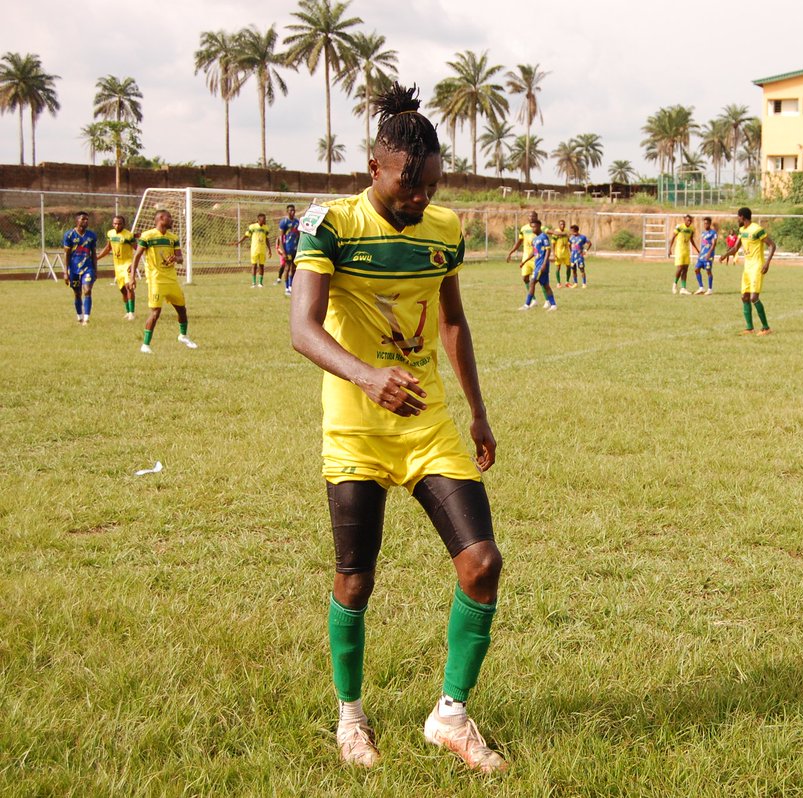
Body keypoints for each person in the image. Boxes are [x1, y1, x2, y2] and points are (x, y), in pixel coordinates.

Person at [289, 83, 508, 774]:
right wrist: (366, 375)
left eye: (431, 185)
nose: (419, 197)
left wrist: (475, 408)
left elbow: (451, 321)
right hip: (356, 428)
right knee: (355, 579)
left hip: (429, 425)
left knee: (482, 563)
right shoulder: (331, 224)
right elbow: (301, 326)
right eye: (409, 184)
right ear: (375, 167)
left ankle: (451, 714)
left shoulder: (444, 230)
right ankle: (351, 717)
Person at [129, 209, 199, 353]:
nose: (172, 220)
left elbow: (180, 258)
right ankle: (145, 345)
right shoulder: (147, 236)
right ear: (161, 218)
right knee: (155, 313)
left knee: (182, 310)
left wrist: (176, 258)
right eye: (169, 217)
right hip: (156, 281)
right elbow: (137, 256)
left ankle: (183, 336)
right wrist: (132, 278)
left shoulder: (173, 238)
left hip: (172, 280)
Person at [719, 207, 776, 335]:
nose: (737, 219)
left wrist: (767, 263)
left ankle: (766, 328)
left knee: (754, 297)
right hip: (747, 268)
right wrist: (725, 255)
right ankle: (750, 328)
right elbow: (735, 248)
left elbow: (772, 245)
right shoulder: (741, 230)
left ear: (743, 217)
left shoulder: (757, 230)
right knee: (744, 297)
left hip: (757, 266)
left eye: (738, 217)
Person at [95, 214, 137, 319]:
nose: (117, 225)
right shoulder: (110, 234)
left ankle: (132, 313)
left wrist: (133, 264)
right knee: (122, 289)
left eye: (119, 224)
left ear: (124, 224)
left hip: (127, 263)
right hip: (117, 265)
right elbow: (108, 247)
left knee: (129, 287)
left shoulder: (128, 236)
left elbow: (137, 250)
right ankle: (127, 311)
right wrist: (97, 258)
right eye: (115, 223)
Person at [62, 211, 98, 324]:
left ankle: (86, 319)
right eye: (83, 219)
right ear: (77, 220)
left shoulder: (91, 235)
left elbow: (94, 254)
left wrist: (95, 270)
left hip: (88, 268)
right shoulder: (69, 235)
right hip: (74, 270)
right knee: (77, 293)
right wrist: (65, 272)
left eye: (87, 219)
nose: (85, 221)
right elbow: (66, 254)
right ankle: (80, 316)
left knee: (87, 290)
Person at [518, 218, 558, 311]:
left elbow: (548, 250)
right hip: (538, 265)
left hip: (541, 266)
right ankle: (553, 305)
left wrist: (544, 263)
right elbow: (534, 252)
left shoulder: (544, 237)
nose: (533, 229)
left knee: (532, 282)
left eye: (534, 227)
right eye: (532, 227)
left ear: (539, 226)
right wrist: (524, 261)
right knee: (545, 285)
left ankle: (527, 305)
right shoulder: (535, 239)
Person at [233, 212, 272, 288]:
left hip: (262, 250)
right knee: (254, 266)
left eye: (265, 219)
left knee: (261, 266)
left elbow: (267, 239)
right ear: (259, 219)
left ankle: (260, 283)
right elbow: (246, 235)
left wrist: (269, 249)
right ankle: (253, 283)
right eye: (263, 219)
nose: (265, 220)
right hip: (254, 249)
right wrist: (239, 242)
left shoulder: (266, 228)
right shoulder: (252, 227)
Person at [505, 211, 539, 292]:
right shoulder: (524, 228)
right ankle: (532, 299)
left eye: (533, 216)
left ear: (537, 217)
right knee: (525, 278)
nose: (531, 218)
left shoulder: (540, 228)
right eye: (530, 216)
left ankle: (548, 301)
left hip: (537, 257)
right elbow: (519, 242)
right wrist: (510, 253)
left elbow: (549, 233)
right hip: (526, 257)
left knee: (540, 279)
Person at [668, 214, 699, 294]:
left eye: (690, 220)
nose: (689, 222)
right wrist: (669, 249)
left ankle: (683, 288)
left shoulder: (692, 228)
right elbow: (673, 237)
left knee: (685, 269)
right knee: (680, 268)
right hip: (679, 250)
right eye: (688, 220)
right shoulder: (680, 227)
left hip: (686, 250)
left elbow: (691, 239)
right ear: (684, 220)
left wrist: (697, 250)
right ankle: (674, 284)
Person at [278, 204, 301, 296]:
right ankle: (287, 287)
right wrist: (283, 251)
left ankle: (292, 286)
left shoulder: (297, 222)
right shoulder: (284, 222)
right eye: (290, 210)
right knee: (287, 267)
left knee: (294, 268)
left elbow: (299, 235)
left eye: (293, 210)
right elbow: (281, 237)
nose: (292, 212)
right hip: (287, 248)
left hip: (295, 248)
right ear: (287, 212)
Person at [693, 216, 718, 295]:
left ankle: (710, 289)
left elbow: (714, 244)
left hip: (708, 256)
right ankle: (701, 287)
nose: (705, 225)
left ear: (710, 224)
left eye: (707, 223)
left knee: (708, 271)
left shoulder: (713, 233)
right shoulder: (703, 233)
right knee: (696, 269)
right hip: (702, 255)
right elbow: (703, 244)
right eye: (704, 223)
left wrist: (709, 253)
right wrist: (700, 253)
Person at [550, 219, 571, 287]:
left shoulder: (567, 231)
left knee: (568, 267)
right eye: (561, 224)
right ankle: (558, 283)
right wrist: (554, 254)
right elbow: (553, 244)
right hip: (558, 253)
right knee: (558, 268)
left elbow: (569, 241)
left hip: (566, 252)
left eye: (564, 224)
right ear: (559, 225)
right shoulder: (556, 232)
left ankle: (567, 282)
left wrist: (571, 251)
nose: (563, 225)